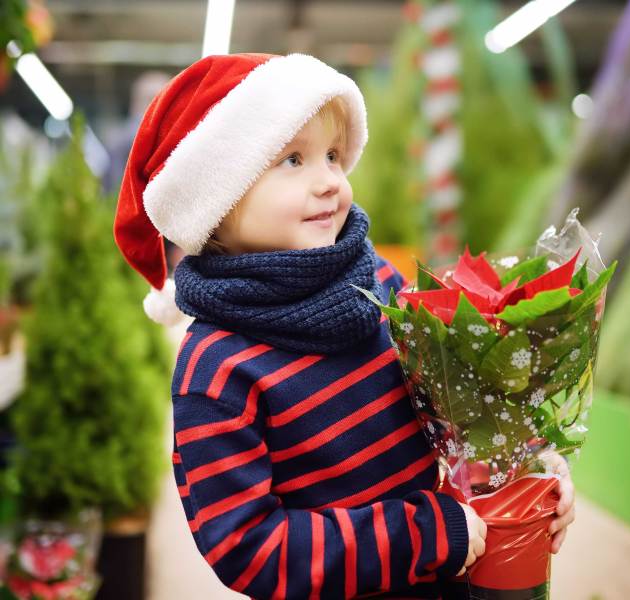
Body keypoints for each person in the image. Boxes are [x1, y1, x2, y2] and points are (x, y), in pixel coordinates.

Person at [113, 52, 574, 599]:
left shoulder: (380, 282)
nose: (330, 180)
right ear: (217, 199)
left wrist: (525, 464)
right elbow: (248, 547)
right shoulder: (215, 369)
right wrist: (422, 537)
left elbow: (456, 407)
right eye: (292, 160)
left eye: (333, 155)